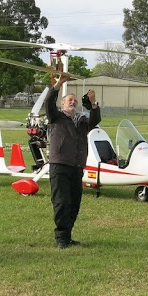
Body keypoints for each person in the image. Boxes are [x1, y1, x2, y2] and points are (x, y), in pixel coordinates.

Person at [45, 74, 101, 248]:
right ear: (62, 104)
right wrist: (57, 85)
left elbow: (95, 119)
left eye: (75, 101)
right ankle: (62, 239)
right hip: (59, 165)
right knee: (61, 202)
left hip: (77, 167)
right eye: (69, 100)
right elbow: (48, 104)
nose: (73, 102)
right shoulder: (56, 118)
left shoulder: (82, 121)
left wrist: (92, 104)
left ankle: (68, 237)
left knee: (74, 203)